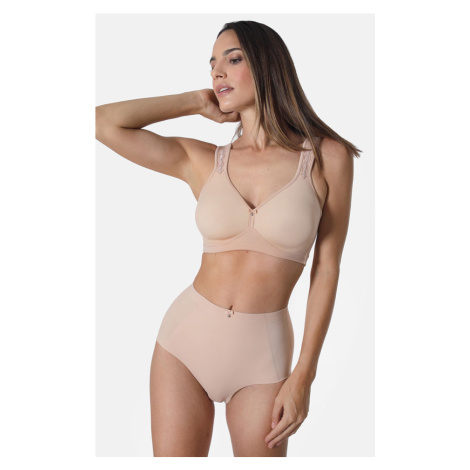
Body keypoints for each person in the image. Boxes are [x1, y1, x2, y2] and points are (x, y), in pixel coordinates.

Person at [95, 20, 361, 457]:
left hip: (263, 358)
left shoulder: (327, 156)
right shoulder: (202, 160)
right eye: (212, 64)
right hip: (184, 345)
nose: (217, 71)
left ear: (267, 65)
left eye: (233, 59)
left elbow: (327, 268)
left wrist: (304, 375)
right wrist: (194, 101)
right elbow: (102, 123)